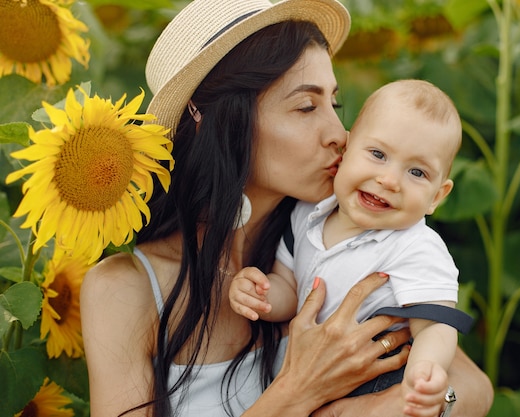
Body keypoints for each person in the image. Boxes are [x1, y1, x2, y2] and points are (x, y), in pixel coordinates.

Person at [80, 0, 494, 416]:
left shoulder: (337, 236)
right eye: (306, 107)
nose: (340, 134)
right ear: (227, 120)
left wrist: (394, 406)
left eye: (335, 105)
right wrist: (300, 393)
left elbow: (472, 387)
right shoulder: (125, 292)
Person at [229, 79, 469, 417]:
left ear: (437, 197)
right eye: (378, 154)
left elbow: (434, 324)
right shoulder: (307, 215)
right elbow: (290, 286)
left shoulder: (416, 247)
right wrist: (263, 296)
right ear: (346, 149)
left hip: (380, 379)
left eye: (417, 171)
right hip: (314, 378)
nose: (389, 180)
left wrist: (425, 371)